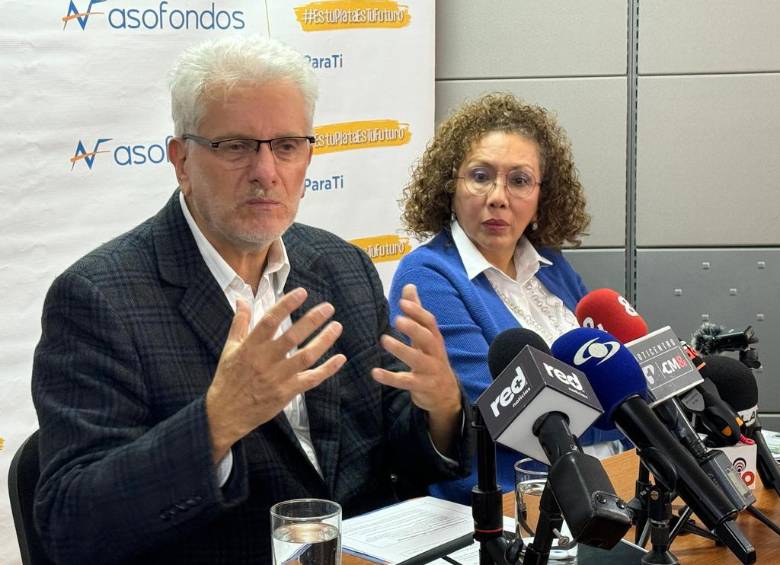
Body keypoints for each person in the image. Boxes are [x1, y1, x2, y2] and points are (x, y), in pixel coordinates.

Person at [32, 36, 471, 565]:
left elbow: (391, 457)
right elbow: (69, 523)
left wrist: (442, 410)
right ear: (181, 161)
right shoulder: (98, 298)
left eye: (286, 145)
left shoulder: (342, 267)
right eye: (236, 146)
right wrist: (216, 422)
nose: (266, 171)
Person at [389, 93, 623, 504]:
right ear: (450, 187)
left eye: (518, 180)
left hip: (612, 479)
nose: (498, 196)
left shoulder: (552, 264)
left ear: (539, 198)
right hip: (517, 502)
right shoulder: (428, 275)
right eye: (481, 176)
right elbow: (502, 414)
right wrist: (622, 409)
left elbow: (611, 372)